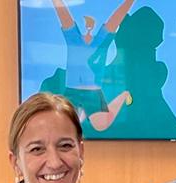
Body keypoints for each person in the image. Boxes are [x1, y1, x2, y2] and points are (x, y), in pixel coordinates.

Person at [51, 0, 134, 131]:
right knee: (65, 125)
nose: (88, 33)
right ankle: (83, 112)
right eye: (86, 29)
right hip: (72, 90)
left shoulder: (101, 41)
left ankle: (123, 95)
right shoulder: (74, 40)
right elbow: (64, 15)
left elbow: (116, 18)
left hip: (93, 93)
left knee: (101, 124)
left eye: (90, 29)